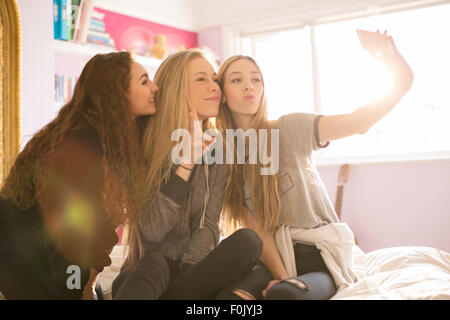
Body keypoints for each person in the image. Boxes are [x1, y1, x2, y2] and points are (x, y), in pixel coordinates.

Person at [216, 30, 414, 299]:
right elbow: (257, 228)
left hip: (320, 259)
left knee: (285, 296)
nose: (249, 86)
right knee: (228, 299)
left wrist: (397, 69)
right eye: (237, 80)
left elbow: (359, 122)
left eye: (256, 79)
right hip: (273, 259)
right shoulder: (226, 157)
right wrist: (281, 275)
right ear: (223, 95)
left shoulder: (288, 129)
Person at [112, 48, 271, 300]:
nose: (215, 88)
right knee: (154, 262)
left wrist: (192, 275)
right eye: (201, 79)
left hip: (191, 273)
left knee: (249, 244)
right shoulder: (143, 142)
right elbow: (151, 234)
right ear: (177, 89)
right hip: (146, 272)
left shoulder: (218, 146)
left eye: (215, 80)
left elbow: (208, 224)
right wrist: (185, 165)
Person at [0, 51, 158, 299]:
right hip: (25, 264)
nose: (155, 87)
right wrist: (76, 290)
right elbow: (68, 241)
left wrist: (88, 281)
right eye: (145, 81)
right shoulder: (83, 144)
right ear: (117, 91)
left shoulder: (110, 141)